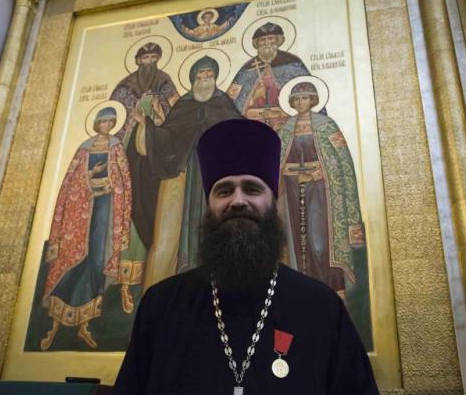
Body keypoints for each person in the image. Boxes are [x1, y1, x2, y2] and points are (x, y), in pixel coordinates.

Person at [113, 118, 379, 394]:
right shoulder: (161, 305)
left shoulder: (321, 307)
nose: (238, 201)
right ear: (208, 205)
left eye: (252, 189)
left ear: (273, 202)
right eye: (224, 191)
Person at [131, 55, 241, 292]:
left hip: (217, 177)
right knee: (173, 231)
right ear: (193, 79)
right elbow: (168, 136)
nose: (205, 78)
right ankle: (169, 285)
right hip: (183, 175)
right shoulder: (184, 106)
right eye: (200, 74)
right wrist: (147, 124)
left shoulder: (223, 103)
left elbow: (240, 132)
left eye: (209, 74)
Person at [277, 82, 371, 347]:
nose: (300, 103)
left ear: (313, 100)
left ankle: (330, 296)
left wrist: (315, 175)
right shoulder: (285, 129)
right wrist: (288, 174)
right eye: (296, 99)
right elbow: (277, 163)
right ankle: (302, 299)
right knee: (298, 246)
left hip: (322, 194)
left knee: (320, 244)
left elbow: (342, 165)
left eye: (305, 98)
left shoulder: (327, 126)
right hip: (293, 193)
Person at [40, 107, 131, 350]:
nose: (107, 125)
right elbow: (70, 181)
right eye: (104, 121)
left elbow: (124, 181)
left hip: (105, 209)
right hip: (80, 211)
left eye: (111, 121)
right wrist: (90, 175)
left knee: (97, 260)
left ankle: (85, 325)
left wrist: (110, 184)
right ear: (96, 123)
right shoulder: (84, 148)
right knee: (72, 259)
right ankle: (55, 326)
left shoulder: (116, 147)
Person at [110, 42, 179, 312]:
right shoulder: (125, 86)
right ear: (138, 60)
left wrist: (158, 114)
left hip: (155, 161)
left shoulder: (165, 82)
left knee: (154, 213)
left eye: (153, 57)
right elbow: (115, 120)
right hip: (129, 159)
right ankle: (126, 286)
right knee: (129, 212)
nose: (149, 62)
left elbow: (175, 114)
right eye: (145, 57)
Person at [228, 22, 311, 128]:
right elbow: (231, 103)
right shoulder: (248, 68)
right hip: (254, 123)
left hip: (286, 120)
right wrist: (254, 96)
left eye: (271, 38)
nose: (266, 43)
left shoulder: (292, 63)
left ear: (278, 40)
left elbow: (308, 93)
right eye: (262, 39)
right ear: (257, 43)